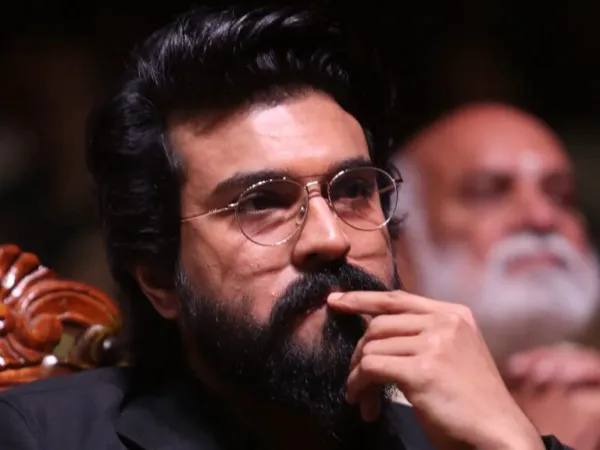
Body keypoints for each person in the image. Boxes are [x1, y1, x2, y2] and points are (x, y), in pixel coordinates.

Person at [0, 7, 568, 450]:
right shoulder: (44, 435)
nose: (331, 238)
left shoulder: (468, 439)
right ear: (158, 277)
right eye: (261, 203)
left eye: (352, 190)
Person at [392, 102, 600, 449]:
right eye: (487, 192)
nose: (541, 217)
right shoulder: (362, 418)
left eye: (561, 196)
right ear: (401, 247)